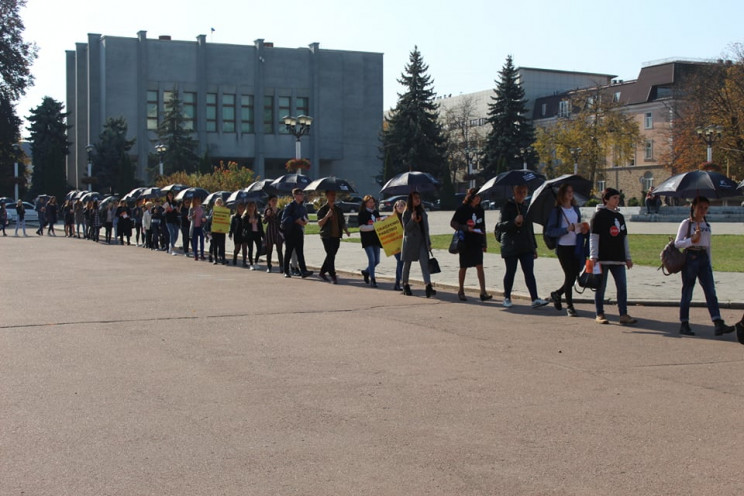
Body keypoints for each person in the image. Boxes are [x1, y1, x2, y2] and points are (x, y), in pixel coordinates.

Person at [674, 196, 735, 336]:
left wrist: (709, 262)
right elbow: (678, 243)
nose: (703, 211)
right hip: (691, 258)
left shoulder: (706, 225)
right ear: (693, 207)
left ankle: (718, 322)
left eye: (706, 208)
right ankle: (684, 323)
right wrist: (691, 240)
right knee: (687, 291)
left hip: (703, 259)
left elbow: (708, 246)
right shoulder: (686, 223)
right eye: (700, 207)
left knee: (710, 291)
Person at [496, 185, 549, 309]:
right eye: (519, 192)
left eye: (524, 192)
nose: (522, 194)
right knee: (511, 271)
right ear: (514, 192)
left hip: (526, 245)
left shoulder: (526, 207)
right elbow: (500, 226)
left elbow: (530, 228)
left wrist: (534, 247)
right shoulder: (507, 206)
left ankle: (535, 298)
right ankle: (507, 297)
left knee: (529, 272)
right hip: (511, 244)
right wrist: (513, 222)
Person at [589, 188, 636, 325]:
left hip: (618, 258)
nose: (617, 200)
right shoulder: (598, 216)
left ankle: (623, 314)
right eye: (614, 198)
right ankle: (599, 313)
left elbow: (624, 238)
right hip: (602, 258)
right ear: (606, 199)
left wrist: (628, 257)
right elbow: (594, 237)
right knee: (600, 287)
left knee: (622, 286)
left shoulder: (619, 217)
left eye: (618, 198)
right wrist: (593, 256)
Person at [545, 183, 587, 317]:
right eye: (568, 192)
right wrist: (565, 230)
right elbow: (550, 231)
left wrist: (583, 228)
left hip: (576, 246)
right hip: (563, 247)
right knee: (569, 275)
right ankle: (570, 306)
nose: (570, 194)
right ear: (562, 194)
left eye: (571, 191)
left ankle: (557, 294)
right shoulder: (557, 211)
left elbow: (578, 226)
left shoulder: (575, 209)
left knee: (574, 275)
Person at [450, 188, 491, 302]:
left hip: (477, 241)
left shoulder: (480, 210)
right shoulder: (462, 209)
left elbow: (483, 226)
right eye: (476, 196)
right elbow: (453, 223)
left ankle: (483, 292)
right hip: (465, 242)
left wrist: (484, 243)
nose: (478, 199)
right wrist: (465, 228)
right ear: (471, 197)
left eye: (479, 197)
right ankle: (461, 290)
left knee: (480, 266)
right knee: (463, 267)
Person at [400, 191, 436, 298]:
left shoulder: (422, 212)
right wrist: (412, 219)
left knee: (425, 264)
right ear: (410, 200)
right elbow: (406, 229)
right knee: (407, 264)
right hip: (411, 242)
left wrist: (428, 243)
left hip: (422, 242)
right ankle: (405, 284)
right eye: (415, 198)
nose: (418, 200)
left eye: (419, 198)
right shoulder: (406, 213)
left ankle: (428, 286)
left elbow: (426, 229)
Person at [317, 190, 350, 284]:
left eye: (334, 195)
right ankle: (333, 275)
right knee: (331, 255)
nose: (333, 197)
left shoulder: (338, 209)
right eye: (332, 195)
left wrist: (346, 230)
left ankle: (322, 272)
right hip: (326, 236)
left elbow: (342, 222)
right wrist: (327, 216)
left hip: (336, 236)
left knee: (331, 255)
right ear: (327, 196)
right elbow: (320, 223)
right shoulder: (323, 209)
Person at [281, 188, 312, 278]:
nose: (302, 196)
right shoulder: (290, 206)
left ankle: (303, 271)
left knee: (300, 252)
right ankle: (286, 271)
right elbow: (284, 219)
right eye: (299, 194)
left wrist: (305, 221)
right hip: (290, 232)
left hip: (299, 230)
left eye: (302, 194)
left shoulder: (303, 207)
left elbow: (305, 217)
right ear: (294, 195)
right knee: (288, 252)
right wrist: (295, 220)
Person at [358, 195, 382, 287]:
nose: (372, 204)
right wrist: (374, 227)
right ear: (365, 203)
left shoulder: (376, 212)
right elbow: (361, 227)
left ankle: (366, 271)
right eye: (370, 202)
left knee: (377, 260)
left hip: (376, 239)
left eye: (373, 202)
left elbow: (379, 223)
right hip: (367, 240)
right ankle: (373, 279)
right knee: (371, 259)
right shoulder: (362, 213)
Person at [263, 195, 284, 273]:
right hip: (270, 230)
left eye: (275, 200)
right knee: (269, 250)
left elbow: (282, 220)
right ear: (269, 202)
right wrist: (267, 215)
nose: (274, 202)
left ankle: (281, 266)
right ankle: (269, 266)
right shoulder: (267, 210)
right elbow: (264, 222)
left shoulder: (280, 210)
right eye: (273, 201)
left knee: (279, 250)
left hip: (278, 231)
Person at [242, 201, 264, 270]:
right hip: (250, 234)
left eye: (253, 206)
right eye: (250, 206)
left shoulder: (258, 216)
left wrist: (263, 236)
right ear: (248, 207)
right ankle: (251, 264)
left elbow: (261, 226)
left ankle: (256, 262)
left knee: (259, 248)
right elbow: (243, 226)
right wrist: (249, 222)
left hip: (257, 233)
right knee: (250, 249)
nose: (252, 208)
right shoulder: (245, 216)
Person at [392, 199, 406, 291]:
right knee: (400, 261)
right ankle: (400, 282)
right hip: (395, 244)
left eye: (402, 205)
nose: (400, 207)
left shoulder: (407, 217)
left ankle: (398, 283)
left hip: (405, 244)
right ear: (395, 208)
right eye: (398, 206)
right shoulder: (392, 219)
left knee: (402, 263)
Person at [229, 202, 248, 267]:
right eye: (239, 208)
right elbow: (232, 226)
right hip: (237, 234)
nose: (241, 209)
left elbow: (248, 225)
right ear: (237, 208)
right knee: (237, 248)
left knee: (244, 248)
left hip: (244, 234)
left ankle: (244, 261)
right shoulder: (235, 217)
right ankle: (235, 258)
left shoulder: (246, 216)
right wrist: (230, 233)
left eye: (242, 208)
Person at [210, 197, 227, 265]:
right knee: (215, 245)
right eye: (218, 202)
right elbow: (209, 219)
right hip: (215, 230)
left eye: (220, 202)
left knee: (222, 245)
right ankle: (215, 259)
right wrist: (212, 215)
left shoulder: (224, 210)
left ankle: (223, 258)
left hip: (222, 230)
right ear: (215, 203)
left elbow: (226, 218)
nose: (219, 203)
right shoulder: (213, 210)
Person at [188, 196, 206, 261]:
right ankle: (196, 255)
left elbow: (204, 216)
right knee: (195, 242)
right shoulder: (191, 209)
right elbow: (189, 218)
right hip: (194, 227)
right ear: (194, 201)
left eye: (199, 200)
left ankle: (202, 255)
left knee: (202, 241)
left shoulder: (202, 208)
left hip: (201, 227)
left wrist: (204, 219)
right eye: (196, 200)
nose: (198, 201)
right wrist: (193, 216)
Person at [163, 191, 180, 255]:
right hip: (168, 220)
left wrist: (177, 209)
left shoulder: (175, 202)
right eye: (169, 195)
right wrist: (166, 210)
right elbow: (163, 214)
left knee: (176, 234)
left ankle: (171, 245)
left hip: (175, 220)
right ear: (167, 196)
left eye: (171, 195)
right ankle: (172, 248)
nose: (170, 196)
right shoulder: (166, 203)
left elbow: (178, 212)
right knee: (172, 233)